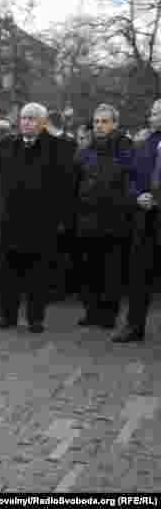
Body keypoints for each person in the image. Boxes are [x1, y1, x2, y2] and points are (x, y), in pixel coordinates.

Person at [0, 102, 76, 333]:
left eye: (33, 118)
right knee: (7, 272)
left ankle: (36, 318)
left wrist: (59, 219)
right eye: (24, 118)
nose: (26, 122)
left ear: (43, 123)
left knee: (37, 273)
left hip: (40, 222)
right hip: (8, 220)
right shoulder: (6, 144)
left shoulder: (56, 147)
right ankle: (7, 316)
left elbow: (64, 186)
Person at [74, 104, 133, 330]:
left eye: (104, 121)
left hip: (113, 218)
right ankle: (91, 311)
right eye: (97, 121)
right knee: (89, 268)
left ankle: (108, 314)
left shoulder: (124, 147)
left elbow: (125, 177)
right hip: (87, 218)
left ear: (115, 124)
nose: (99, 125)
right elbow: (77, 178)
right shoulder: (86, 149)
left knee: (111, 270)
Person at [121, 98, 161, 342]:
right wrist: (138, 195)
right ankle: (134, 327)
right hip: (145, 220)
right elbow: (132, 177)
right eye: (152, 113)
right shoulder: (146, 144)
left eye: (157, 113)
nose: (151, 117)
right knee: (139, 276)